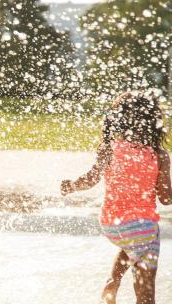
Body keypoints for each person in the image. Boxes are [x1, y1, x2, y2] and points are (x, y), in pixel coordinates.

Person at [60, 92, 171, 304]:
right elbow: (165, 199)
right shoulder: (159, 155)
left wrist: (71, 185)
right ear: (153, 121)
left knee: (133, 240)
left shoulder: (109, 148)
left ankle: (112, 283)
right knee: (146, 295)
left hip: (112, 225)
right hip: (141, 229)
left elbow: (91, 179)